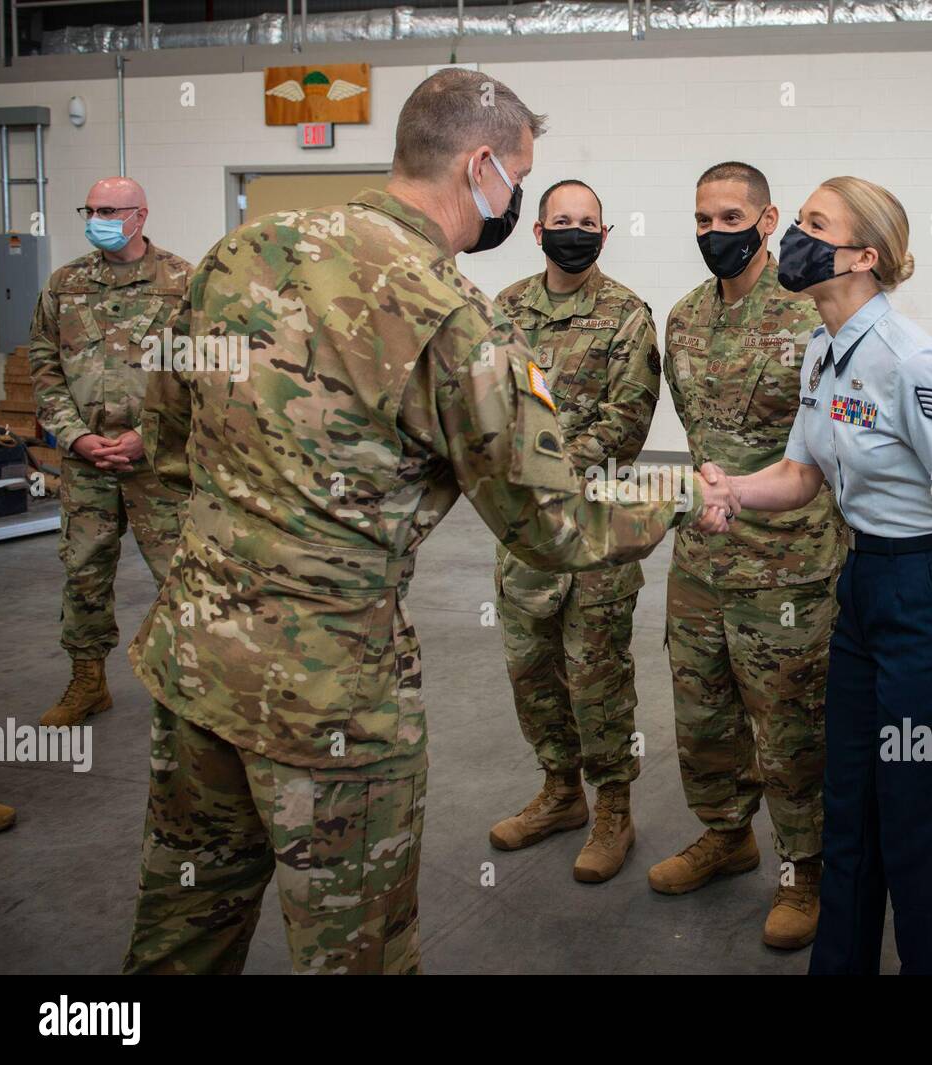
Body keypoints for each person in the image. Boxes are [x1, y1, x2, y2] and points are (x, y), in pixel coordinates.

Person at [118, 69, 735, 976]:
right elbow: (552, 523)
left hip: (194, 665)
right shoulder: (448, 313)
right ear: (482, 167)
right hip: (330, 699)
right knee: (354, 954)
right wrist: (684, 494)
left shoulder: (241, 249)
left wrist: (202, 577)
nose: (519, 201)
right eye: (519, 178)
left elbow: (164, 442)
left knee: (179, 934)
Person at [706, 176, 932, 974]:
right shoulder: (822, 351)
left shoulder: (914, 364)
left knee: (917, 823)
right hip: (863, 586)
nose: (792, 238)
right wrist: (735, 490)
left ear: (864, 256)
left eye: (811, 224)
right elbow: (802, 475)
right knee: (851, 813)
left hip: (925, 596)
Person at [651, 162, 843, 951]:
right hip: (702, 558)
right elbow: (697, 432)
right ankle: (727, 833)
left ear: (768, 223)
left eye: (731, 217)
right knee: (701, 716)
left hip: (788, 569)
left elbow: (827, 451)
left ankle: (807, 868)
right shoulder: (684, 318)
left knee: (791, 726)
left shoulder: (812, 320)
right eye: (702, 219)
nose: (713, 233)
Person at [489, 179, 660, 883]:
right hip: (525, 534)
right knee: (532, 672)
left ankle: (612, 806)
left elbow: (628, 421)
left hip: (595, 530)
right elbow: (485, 401)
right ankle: (560, 792)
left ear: (605, 232)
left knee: (597, 676)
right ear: (537, 231)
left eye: (587, 222)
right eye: (562, 220)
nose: (575, 230)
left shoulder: (626, 314)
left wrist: (540, 460)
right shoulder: (504, 311)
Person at [27, 177, 190, 728]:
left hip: (158, 464)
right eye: (90, 208)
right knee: (85, 572)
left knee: (179, 575)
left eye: (108, 209)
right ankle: (87, 682)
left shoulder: (182, 282)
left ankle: (186, 687)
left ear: (139, 216)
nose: (96, 217)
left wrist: (148, 432)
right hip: (86, 462)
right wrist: (74, 436)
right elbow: (44, 366)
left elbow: (200, 372)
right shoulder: (64, 284)